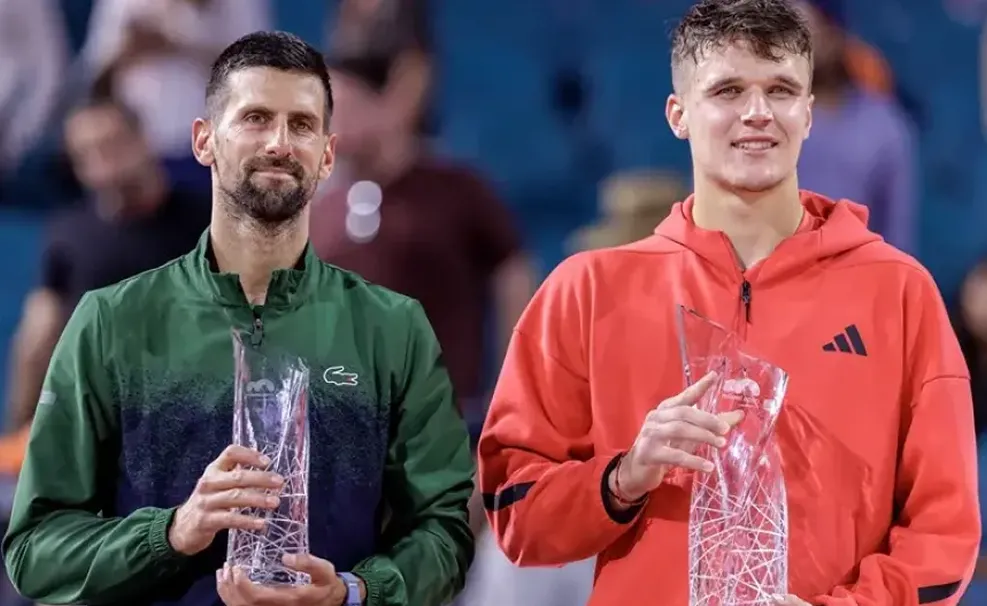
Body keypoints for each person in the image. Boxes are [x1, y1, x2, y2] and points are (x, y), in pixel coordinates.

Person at [477, 1, 980, 605]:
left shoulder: (899, 292)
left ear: (809, 114)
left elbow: (945, 533)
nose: (758, 113)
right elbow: (515, 513)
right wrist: (623, 476)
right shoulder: (584, 291)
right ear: (678, 114)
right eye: (729, 90)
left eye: (782, 90)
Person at [3, 31, 474, 606]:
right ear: (204, 141)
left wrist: (354, 592)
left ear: (327, 153)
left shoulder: (392, 328)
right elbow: (35, 549)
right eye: (255, 117)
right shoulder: (112, 322)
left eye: (301, 125)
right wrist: (173, 533)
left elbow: (443, 532)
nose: (279, 142)